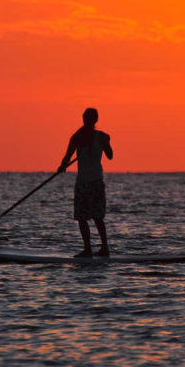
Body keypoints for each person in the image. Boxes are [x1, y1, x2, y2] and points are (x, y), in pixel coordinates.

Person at [59, 107, 114, 257]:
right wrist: (62, 166)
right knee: (94, 217)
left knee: (86, 217)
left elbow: (109, 155)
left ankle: (93, 249)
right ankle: (100, 248)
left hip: (87, 182)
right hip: (93, 181)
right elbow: (110, 155)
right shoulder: (82, 137)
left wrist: (62, 165)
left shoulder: (82, 137)